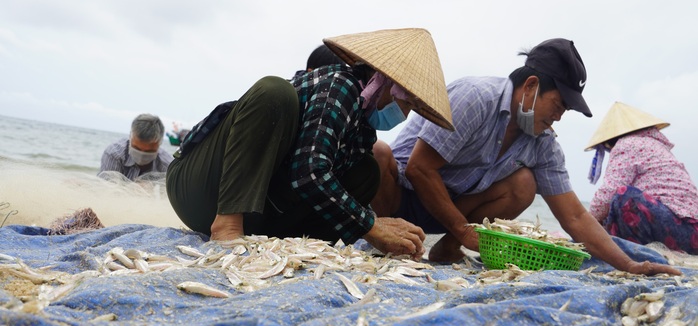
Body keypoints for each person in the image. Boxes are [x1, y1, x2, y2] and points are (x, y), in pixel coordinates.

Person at [370, 38, 681, 276]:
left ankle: (446, 251)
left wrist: (628, 264)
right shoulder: (476, 97)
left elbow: (574, 215)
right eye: (558, 105)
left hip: (450, 207)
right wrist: (464, 230)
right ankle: (385, 240)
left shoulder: (543, 143)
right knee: (378, 153)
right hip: (402, 193)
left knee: (523, 183)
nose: (558, 117)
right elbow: (419, 169)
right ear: (531, 87)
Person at [166, 28, 454, 259]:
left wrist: (373, 226)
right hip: (201, 192)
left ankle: (299, 247)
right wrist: (370, 224)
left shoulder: (363, 127)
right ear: (383, 84)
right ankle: (227, 223)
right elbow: (309, 172)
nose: (405, 114)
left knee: (366, 171)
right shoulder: (340, 86)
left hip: (263, 213)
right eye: (406, 103)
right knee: (274, 92)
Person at [586, 101, 698, 254]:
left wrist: (583, 224)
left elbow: (606, 196)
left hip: (682, 230)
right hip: (689, 231)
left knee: (623, 197)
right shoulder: (655, 145)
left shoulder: (627, 144)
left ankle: (635, 256)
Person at [99, 114, 172, 181]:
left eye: (149, 151)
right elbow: (106, 188)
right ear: (130, 137)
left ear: (160, 143)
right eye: (136, 148)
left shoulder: (167, 166)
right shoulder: (114, 154)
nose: (142, 155)